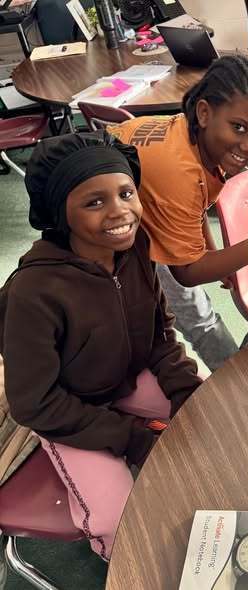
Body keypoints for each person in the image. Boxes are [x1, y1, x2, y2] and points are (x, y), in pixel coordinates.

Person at [0, 131, 200, 560]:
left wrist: (186, 390)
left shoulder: (136, 245)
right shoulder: (33, 292)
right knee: (118, 520)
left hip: (124, 380)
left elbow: (159, 333)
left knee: (211, 421)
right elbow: (34, 404)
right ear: (61, 214)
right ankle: (122, 562)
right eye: (94, 202)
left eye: (126, 192)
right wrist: (129, 437)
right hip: (64, 409)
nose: (120, 211)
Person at [108, 55, 248, 369]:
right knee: (196, 317)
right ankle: (235, 382)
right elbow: (186, 273)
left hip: (137, 216)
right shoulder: (178, 172)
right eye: (239, 127)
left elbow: (192, 208)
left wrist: (214, 252)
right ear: (204, 113)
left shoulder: (189, 135)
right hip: (107, 243)